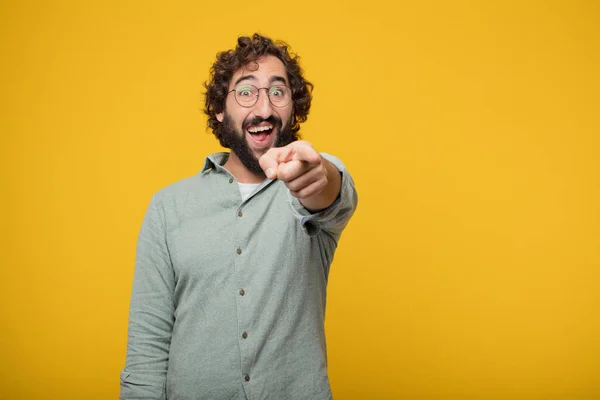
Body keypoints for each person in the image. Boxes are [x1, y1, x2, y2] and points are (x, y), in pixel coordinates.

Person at [120, 33, 358, 400]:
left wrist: (318, 175)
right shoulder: (168, 207)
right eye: (246, 92)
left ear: (292, 109)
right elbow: (148, 344)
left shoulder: (307, 192)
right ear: (220, 109)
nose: (264, 108)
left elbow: (331, 192)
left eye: (277, 92)